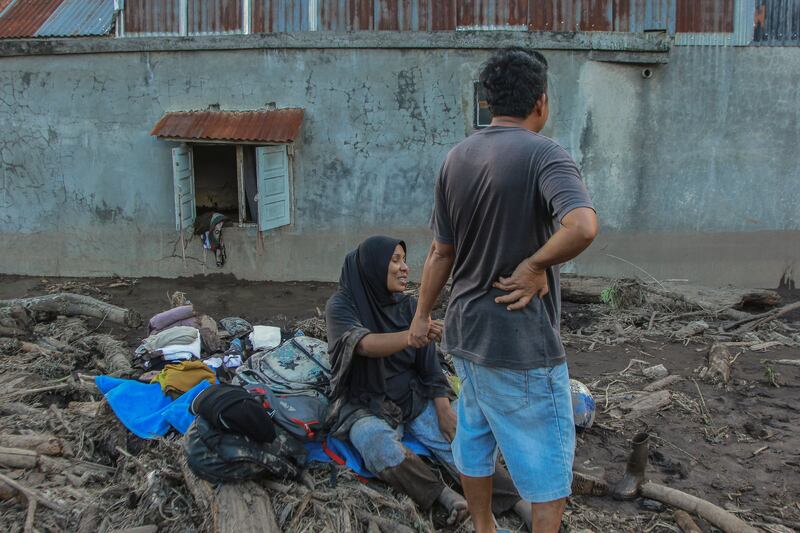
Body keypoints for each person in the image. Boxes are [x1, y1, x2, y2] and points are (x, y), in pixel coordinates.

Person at [409, 48, 599, 533]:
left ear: (487, 102)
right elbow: (581, 226)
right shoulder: (546, 153)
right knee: (548, 457)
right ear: (541, 102)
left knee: (475, 433)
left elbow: (439, 252)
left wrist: (420, 314)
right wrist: (536, 265)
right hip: (519, 339)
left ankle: (483, 527)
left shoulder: (457, 157)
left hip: (465, 331)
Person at [325, 236, 531, 528]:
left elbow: (429, 365)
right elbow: (363, 345)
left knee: (461, 441)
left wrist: (443, 407)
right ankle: (445, 497)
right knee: (376, 445)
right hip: (365, 403)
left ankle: (519, 503)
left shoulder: (411, 307)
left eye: (404, 260)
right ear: (373, 267)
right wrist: (411, 335)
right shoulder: (342, 305)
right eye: (395, 261)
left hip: (412, 397)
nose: (404, 268)